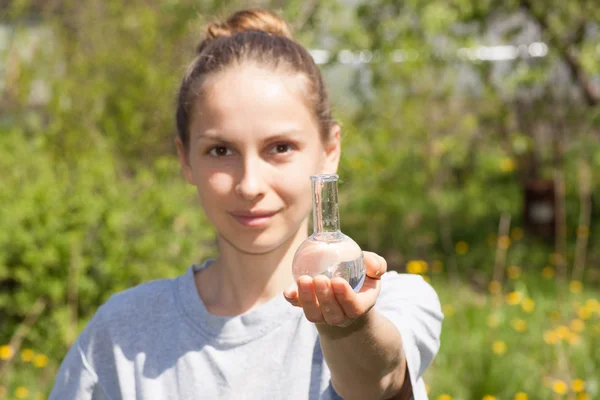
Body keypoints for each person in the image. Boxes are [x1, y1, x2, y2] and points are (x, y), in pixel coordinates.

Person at [49, 9, 443, 400]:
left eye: (280, 147)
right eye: (221, 150)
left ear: (329, 150)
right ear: (186, 159)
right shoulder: (121, 334)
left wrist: (345, 325)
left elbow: (378, 380)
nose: (250, 185)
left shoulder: (394, 301)